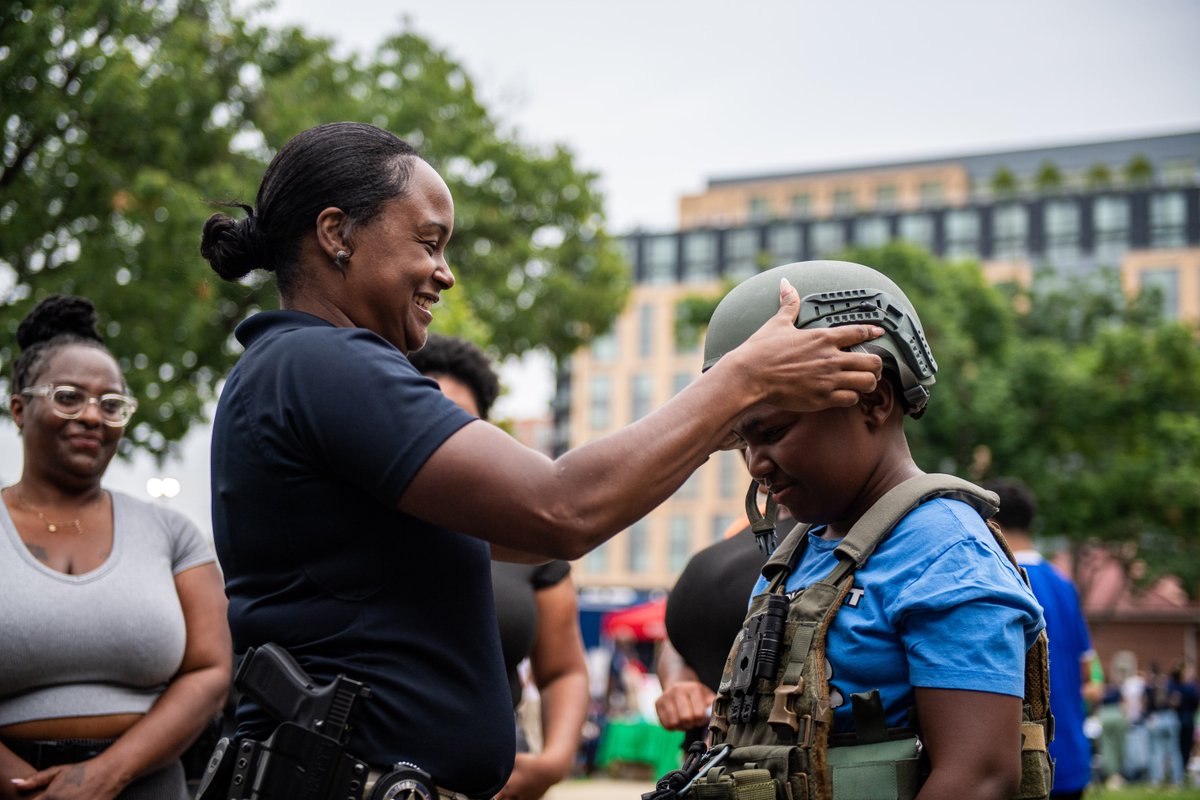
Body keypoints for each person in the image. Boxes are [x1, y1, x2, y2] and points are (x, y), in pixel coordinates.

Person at [197, 121, 885, 798]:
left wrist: (731, 410)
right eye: (429, 243)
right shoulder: (323, 361)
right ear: (336, 233)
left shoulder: (291, 367)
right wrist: (742, 381)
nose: (446, 273)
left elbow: (535, 531)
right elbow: (560, 509)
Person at [696, 260, 1046, 799]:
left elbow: (979, 776)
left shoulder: (944, 553)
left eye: (773, 431)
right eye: (743, 441)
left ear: (874, 400)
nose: (756, 464)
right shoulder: (799, 555)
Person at [0, 295, 231, 800]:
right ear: (19, 408)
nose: (91, 416)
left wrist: (105, 775)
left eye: (111, 404)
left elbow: (211, 670)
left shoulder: (172, 534)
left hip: (148, 785)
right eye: (68, 397)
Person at [408, 333, 589, 800]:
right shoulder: (364, 521)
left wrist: (552, 763)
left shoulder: (523, 542)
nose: (439, 434)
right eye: (425, 416)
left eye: (458, 422)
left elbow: (563, 669)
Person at [984, 477, 1101, 800]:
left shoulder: (996, 580)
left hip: (1024, 762)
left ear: (990, 521)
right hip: (1072, 759)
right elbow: (1091, 675)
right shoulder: (1064, 585)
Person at [655, 503, 793, 747]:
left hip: (773, 754)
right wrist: (679, 682)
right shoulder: (752, 521)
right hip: (707, 753)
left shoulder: (842, 528)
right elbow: (676, 641)